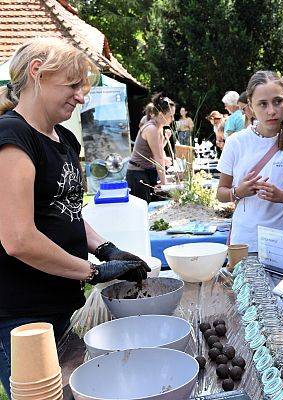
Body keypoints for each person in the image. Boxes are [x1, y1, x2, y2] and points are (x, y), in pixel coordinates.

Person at [0, 37, 150, 396]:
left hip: (61, 306)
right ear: (37, 72)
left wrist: (106, 248)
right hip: (21, 317)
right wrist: (93, 272)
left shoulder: (64, 137)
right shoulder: (12, 136)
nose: (81, 97)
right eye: (72, 85)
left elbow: (64, 212)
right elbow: (17, 238)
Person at [217, 71, 283, 263]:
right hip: (245, 242)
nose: (271, 110)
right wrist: (238, 192)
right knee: (245, 293)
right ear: (250, 107)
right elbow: (221, 193)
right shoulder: (236, 142)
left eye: (277, 101)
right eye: (263, 104)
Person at [126, 92, 176, 203]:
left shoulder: (157, 127)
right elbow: (158, 158)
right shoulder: (152, 129)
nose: (172, 119)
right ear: (161, 114)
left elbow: (155, 153)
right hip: (137, 174)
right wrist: (164, 183)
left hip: (144, 172)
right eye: (171, 115)